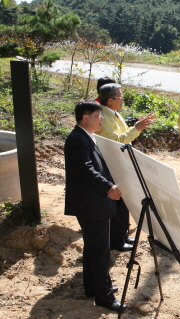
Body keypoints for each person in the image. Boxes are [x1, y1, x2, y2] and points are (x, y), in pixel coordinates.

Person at [64, 101, 127, 312]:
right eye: (98, 116)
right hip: (90, 204)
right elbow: (85, 170)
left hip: (93, 202)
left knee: (93, 248)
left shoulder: (86, 137)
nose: (102, 119)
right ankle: (104, 297)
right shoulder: (76, 140)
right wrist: (108, 187)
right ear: (85, 118)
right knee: (100, 251)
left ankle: (94, 286)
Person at [97, 83, 156, 251]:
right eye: (119, 96)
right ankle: (116, 241)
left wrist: (136, 127)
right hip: (112, 166)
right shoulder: (103, 117)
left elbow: (125, 136)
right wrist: (136, 129)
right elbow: (117, 141)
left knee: (124, 203)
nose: (122, 99)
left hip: (122, 164)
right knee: (117, 204)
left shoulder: (115, 115)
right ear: (110, 100)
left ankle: (122, 236)